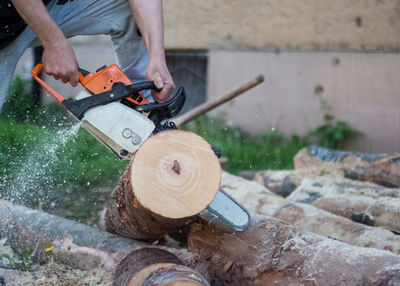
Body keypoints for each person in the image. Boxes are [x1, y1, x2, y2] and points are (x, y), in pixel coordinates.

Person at [0, 0, 175, 110]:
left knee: (124, 7)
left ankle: (144, 112)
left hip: (43, 8)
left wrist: (156, 59)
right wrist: (54, 43)